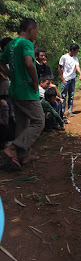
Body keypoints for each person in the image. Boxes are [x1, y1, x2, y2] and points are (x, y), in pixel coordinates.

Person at [0, 18, 45, 169]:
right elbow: (28, 62)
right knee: (39, 121)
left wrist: (11, 75)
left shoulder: (12, 44)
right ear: (31, 29)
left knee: (22, 122)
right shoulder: (26, 43)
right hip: (26, 91)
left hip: (15, 90)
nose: (36, 35)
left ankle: (23, 156)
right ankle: (13, 148)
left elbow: (1, 62)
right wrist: (34, 80)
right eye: (36, 31)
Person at [58, 43, 81, 118]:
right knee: (63, 96)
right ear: (72, 50)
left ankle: (69, 110)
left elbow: (77, 66)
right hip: (66, 79)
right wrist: (62, 78)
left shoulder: (75, 58)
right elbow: (59, 68)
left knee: (71, 95)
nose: (77, 52)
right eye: (76, 51)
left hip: (72, 79)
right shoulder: (64, 57)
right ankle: (62, 112)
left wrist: (80, 73)